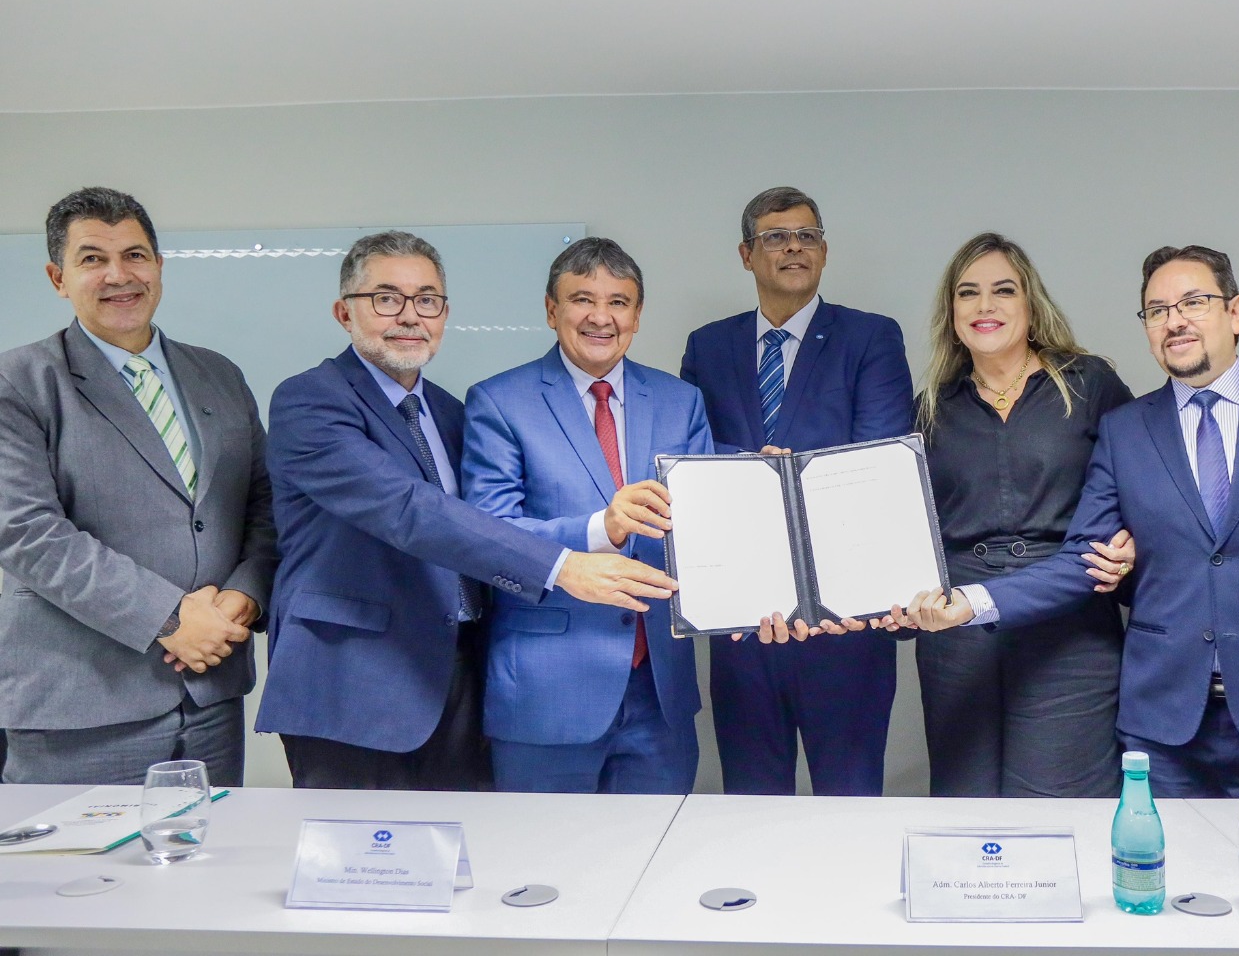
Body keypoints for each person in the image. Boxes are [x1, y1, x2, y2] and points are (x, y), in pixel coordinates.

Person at [885, 245, 1239, 799]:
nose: (1175, 321)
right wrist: (945, 602)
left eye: (1194, 302)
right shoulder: (1125, 429)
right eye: (1158, 310)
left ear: (1235, 312)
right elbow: (1083, 554)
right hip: (1161, 719)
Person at [256, 231, 684, 791]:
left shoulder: (448, 411)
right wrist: (563, 565)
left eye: (426, 300)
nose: (410, 315)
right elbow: (408, 509)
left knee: (463, 842)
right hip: (353, 681)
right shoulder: (310, 401)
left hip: (454, 674)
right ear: (344, 312)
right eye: (386, 298)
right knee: (353, 845)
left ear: (444, 314)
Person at [0, 187, 274, 786]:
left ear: (158, 266)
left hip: (211, 696)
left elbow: (263, 506)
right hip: (82, 705)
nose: (119, 275)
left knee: (210, 848)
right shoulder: (19, 381)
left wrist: (245, 596)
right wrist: (170, 617)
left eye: (135, 255)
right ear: (58, 277)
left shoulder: (219, 374)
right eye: (92, 259)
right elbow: (26, 532)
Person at [679, 186, 914, 796]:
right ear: (746, 254)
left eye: (807, 236)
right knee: (752, 805)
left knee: (850, 803)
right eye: (776, 237)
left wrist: (779, 476)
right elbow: (691, 457)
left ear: (824, 251)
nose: (793, 248)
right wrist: (749, 467)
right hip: (742, 623)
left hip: (845, 622)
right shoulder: (708, 346)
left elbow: (878, 463)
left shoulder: (871, 337)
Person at [464, 238, 712, 794]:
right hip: (548, 692)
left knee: (657, 847)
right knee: (545, 848)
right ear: (551, 310)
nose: (601, 317)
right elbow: (487, 535)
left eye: (618, 302)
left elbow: (705, 523)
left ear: (638, 316)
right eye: (582, 299)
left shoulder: (680, 401)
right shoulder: (499, 401)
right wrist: (602, 528)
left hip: (660, 694)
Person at [914, 233, 1134, 797]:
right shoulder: (930, 408)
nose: (985, 305)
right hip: (957, 638)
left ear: (1031, 304)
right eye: (968, 293)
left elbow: (1146, 483)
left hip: (1070, 630)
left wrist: (1135, 539)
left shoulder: (1090, 385)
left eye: (1003, 290)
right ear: (951, 313)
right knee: (964, 810)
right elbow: (901, 528)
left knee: (1058, 810)